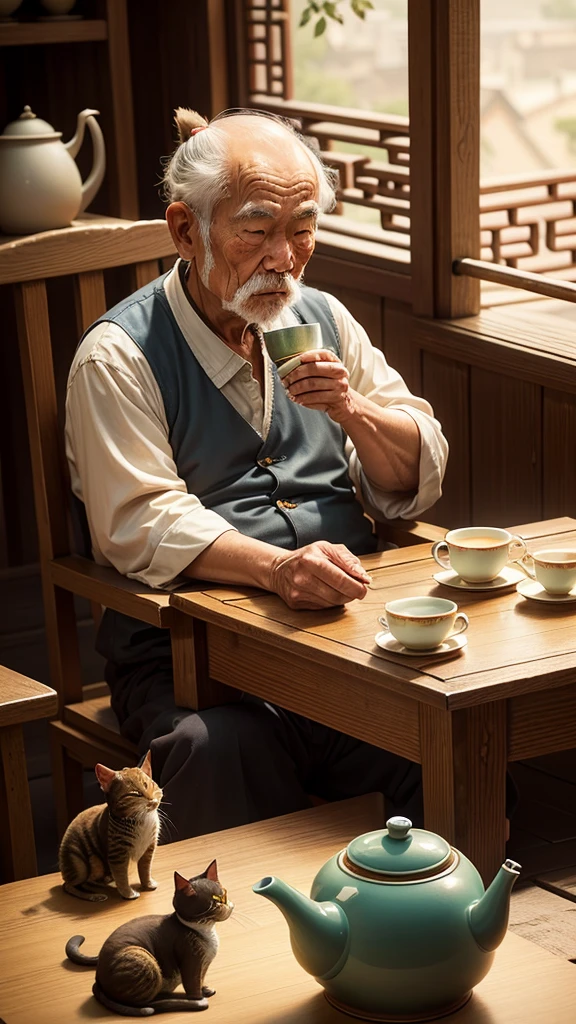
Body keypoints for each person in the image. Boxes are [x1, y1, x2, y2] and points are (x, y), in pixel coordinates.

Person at [65, 107, 449, 840]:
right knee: (223, 750)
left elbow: (420, 462)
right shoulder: (121, 354)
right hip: (196, 660)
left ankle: (418, 937)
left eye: (302, 227)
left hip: (340, 641)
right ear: (186, 230)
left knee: (439, 740)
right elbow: (141, 523)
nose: (284, 256)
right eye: (256, 230)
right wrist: (277, 570)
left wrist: (354, 413)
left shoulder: (325, 320)